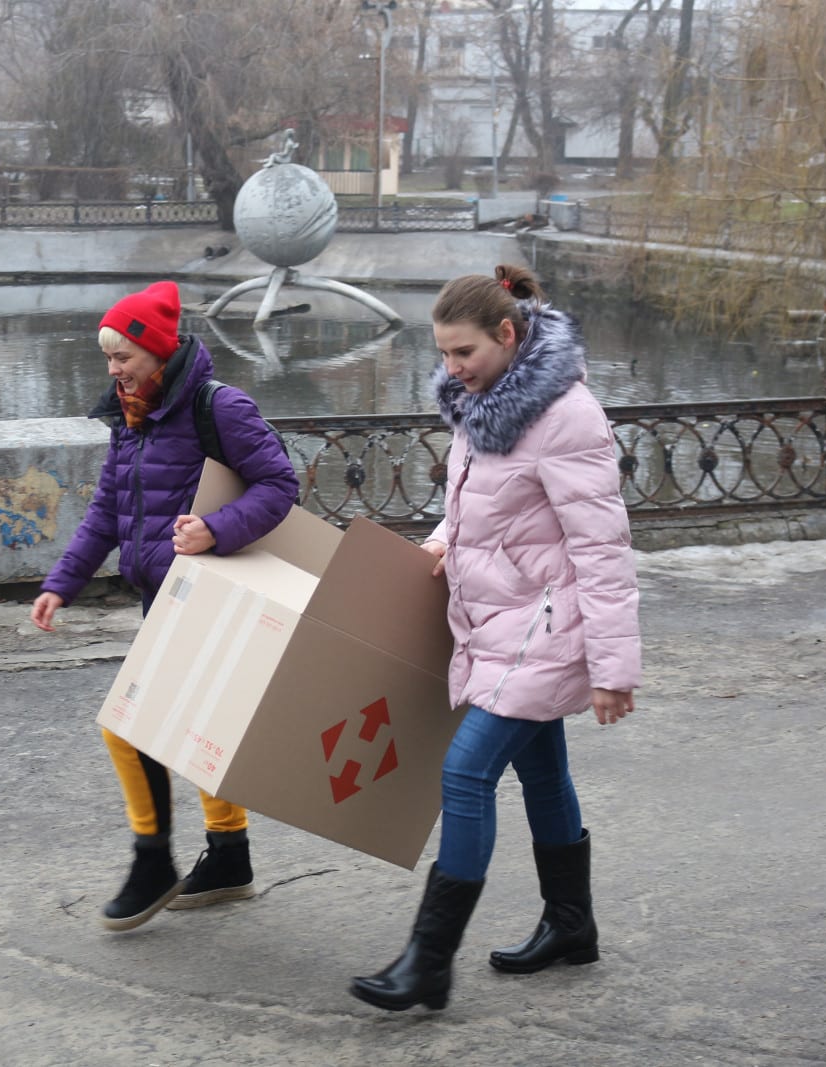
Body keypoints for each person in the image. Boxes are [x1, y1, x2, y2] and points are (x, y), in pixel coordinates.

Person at [350, 264, 640, 1011]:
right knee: (541, 774)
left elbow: (603, 552)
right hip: (498, 619)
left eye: (464, 353)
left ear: (508, 336)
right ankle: (572, 925)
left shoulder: (565, 416)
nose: (451, 369)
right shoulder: (482, 403)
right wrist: (441, 539)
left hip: (543, 626)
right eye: (443, 355)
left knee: (466, 772)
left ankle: (428, 960)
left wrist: (613, 667)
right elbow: (480, 506)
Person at [31, 280, 299, 932]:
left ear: (158, 351)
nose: (113, 369)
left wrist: (217, 529)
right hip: (165, 595)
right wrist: (61, 582)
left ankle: (154, 860)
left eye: (122, 356)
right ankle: (229, 855)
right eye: (108, 358)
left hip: (212, 593)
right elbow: (107, 511)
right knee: (198, 725)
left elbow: (280, 484)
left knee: (128, 722)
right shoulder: (130, 415)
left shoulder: (219, 407)